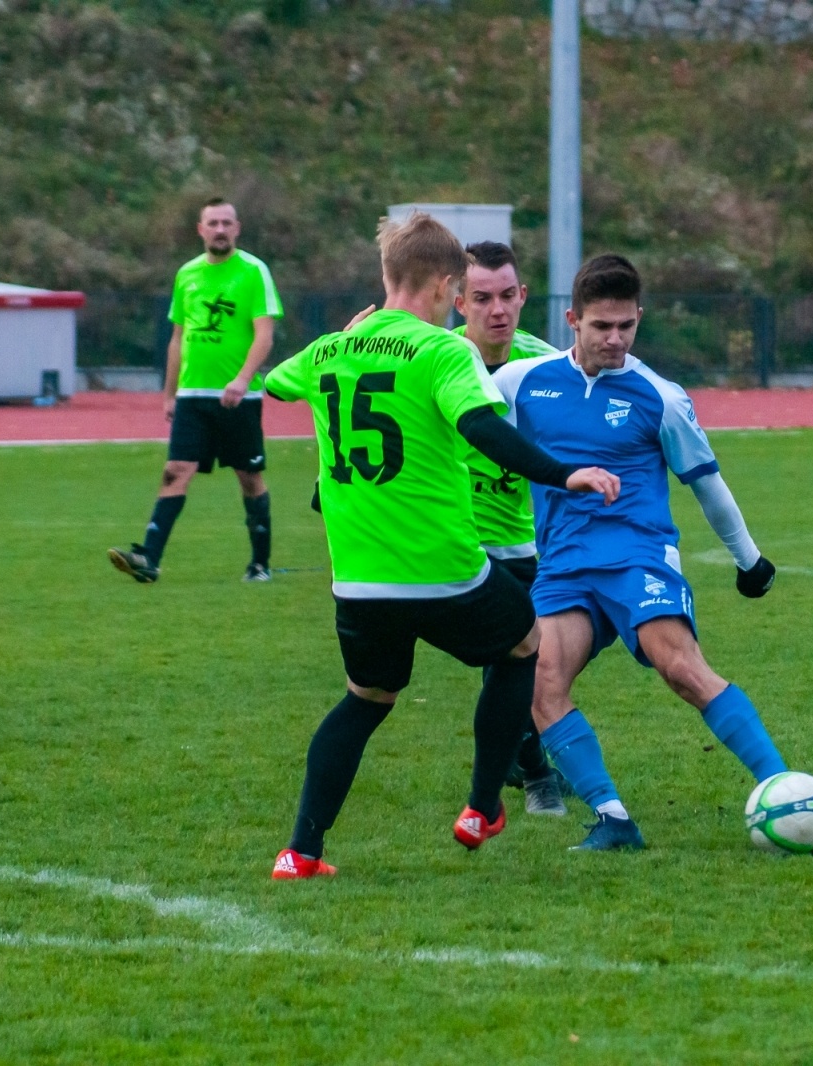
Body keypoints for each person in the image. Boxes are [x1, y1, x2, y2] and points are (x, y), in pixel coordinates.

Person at [262, 213, 619, 878]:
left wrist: (346, 338)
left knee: (365, 700)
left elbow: (274, 384)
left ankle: (301, 852)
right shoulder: (443, 352)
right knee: (526, 647)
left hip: (360, 582)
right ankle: (483, 805)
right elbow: (484, 429)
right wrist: (562, 473)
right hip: (444, 570)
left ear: (387, 277)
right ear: (446, 286)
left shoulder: (328, 352)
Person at [492, 255, 800, 851]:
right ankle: (614, 820)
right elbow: (450, 407)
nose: (614, 340)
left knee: (680, 667)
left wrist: (749, 559)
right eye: (601, 327)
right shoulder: (521, 382)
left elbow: (706, 483)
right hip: (561, 567)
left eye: (626, 327)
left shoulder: (660, 397)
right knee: (541, 685)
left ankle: (786, 791)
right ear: (572, 321)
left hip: (638, 558)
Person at [109, 198, 284, 583]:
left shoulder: (254, 271)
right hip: (192, 397)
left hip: (240, 398)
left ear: (237, 228)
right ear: (200, 229)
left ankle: (260, 565)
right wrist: (170, 394)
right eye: (212, 223)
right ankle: (149, 560)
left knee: (249, 477)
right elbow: (177, 338)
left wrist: (241, 380)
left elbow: (264, 334)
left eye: (226, 223)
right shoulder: (186, 274)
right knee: (175, 471)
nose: (220, 229)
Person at [452, 241, 569, 816]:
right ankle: (538, 776)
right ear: (458, 303)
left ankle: (521, 764)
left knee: (537, 661)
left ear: (523, 296)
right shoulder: (439, 359)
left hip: (531, 545)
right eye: (481, 298)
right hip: (460, 547)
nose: (496, 309)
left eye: (507, 295)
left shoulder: (549, 367)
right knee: (511, 658)